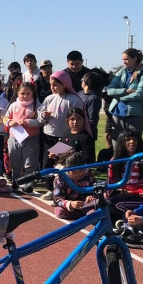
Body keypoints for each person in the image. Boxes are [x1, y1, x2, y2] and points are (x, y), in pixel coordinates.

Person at [37, 70, 88, 198]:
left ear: (64, 84)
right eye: (51, 85)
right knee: (47, 163)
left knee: (64, 164)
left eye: (55, 85)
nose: (52, 88)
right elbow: (40, 117)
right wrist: (43, 115)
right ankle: (50, 188)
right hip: (49, 135)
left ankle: (67, 188)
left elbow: (79, 117)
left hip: (66, 137)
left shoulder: (73, 99)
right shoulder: (49, 99)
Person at [106, 129, 143, 220]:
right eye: (127, 139)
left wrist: (132, 192)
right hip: (121, 195)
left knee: (110, 204)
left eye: (135, 139)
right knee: (100, 206)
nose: (132, 142)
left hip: (142, 197)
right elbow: (110, 184)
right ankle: (123, 218)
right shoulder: (115, 160)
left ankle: (129, 217)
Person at [105, 48, 143, 147]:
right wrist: (125, 91)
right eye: (123, 59)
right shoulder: (121, 72)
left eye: (126, 59)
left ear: (135, 58)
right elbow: (109, 90)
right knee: (117, 146)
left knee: (133, 145)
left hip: (134, 115)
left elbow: (140, 94)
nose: (124, 62)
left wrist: (120, 98)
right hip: (117, 113)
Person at [4, 82, 42, 193]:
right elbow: (5, 118)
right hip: (14, 138)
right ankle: (16, 182)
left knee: (30, 163)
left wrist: (26, 122)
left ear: (32, 93)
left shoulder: (37, 105)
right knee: (15, 163)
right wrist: (10, 122)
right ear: (17, 93)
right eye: (22, 93)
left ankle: (29, 184)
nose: (25, 96)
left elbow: (40, 122)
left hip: (31, 138)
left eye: (28, 93)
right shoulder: (13, 105)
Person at [52, 152, 97, 220]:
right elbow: (56, 199)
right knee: (60, 212)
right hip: (68, 207)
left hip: (85, 205)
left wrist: (91, 196)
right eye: (74, 171)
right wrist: (70, 204)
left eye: (81, 170)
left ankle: (86, 216)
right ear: (68, 169)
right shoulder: (60, 178)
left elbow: (95, 189)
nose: (78, 174)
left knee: (95, 213)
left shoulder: (88, 174)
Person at [78, 71, 104, 139]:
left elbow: (92, 119)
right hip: (77, 129)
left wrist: (87, 132)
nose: (81, 81)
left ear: (86, 82)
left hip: (87, 133)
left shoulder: (93, 98)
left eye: (82, 79)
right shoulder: (80, 93)